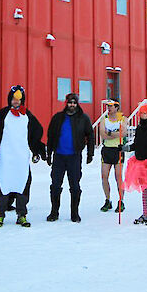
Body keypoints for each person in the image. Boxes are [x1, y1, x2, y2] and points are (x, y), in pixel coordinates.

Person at [0, 85, 46, 228]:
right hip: (5, 159)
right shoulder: (3, 114)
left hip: (21, 159)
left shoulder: (27, 116)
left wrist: (37, 150)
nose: (16, 102)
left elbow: (36, 133)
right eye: (13, 99)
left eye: (18, 99)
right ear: (9, 100)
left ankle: (21, 215)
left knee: (22, 186)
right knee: (3, 186)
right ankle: (0, 216)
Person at [46, 93, 94, 222]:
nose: (72, 105)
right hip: (59, 157)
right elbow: (50, 136)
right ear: (66, 103)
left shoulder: (83, 118)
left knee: (75, 186)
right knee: (55, 185)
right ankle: (54, 212)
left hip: (74, 156)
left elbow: (90, 135)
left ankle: (74, 213)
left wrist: (90, 153)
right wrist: (49, 153)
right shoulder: (57, 118)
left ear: (77, 104)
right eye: (70, 102)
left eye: (74, 103)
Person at [98, 99, 127, 213]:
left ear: (116, 107)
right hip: (107, 150)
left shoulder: (123, 119)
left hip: (118, 149)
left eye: (111, 106)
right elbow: (102, 135)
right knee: (104, 176)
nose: (109, 108)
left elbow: (123, 133)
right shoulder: (104, 119)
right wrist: (113, 134)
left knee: (118, 176)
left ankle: (121, 201)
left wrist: (109, 133)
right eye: (107, 106)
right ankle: (107, 200)